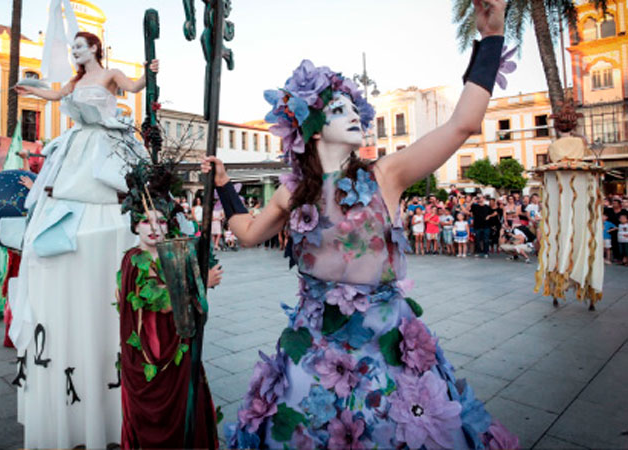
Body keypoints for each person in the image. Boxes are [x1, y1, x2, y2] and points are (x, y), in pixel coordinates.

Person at [203, 3, 517, 445]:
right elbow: (249, 234)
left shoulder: (385, 177)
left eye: (355, 108)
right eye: (338, 109)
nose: (354, 116)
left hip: (386, 350)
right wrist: (223, 186)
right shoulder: (292, 192)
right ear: (312, 128)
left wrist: (490, 38)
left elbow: (463, 124)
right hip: (311, 357)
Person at [12, 30, 158, 449]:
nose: (75, 52)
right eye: (73, 48)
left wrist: (149, 72)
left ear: (95, 48)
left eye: (80, 47)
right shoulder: (74, 85)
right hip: (76, 152)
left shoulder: (110, 74)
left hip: (106, 148)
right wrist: (35, 89)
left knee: (115, 204)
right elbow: (55, 98)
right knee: (60, 203)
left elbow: (133, 87)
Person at [116, 172, 222, 448]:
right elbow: (161, 301)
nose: (154, 227)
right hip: (148, 356)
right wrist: (201, 284)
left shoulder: (174, 256)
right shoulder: (133, 260)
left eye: (161, 221)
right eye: (145, 221)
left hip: (178, 348)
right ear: (135, 226)